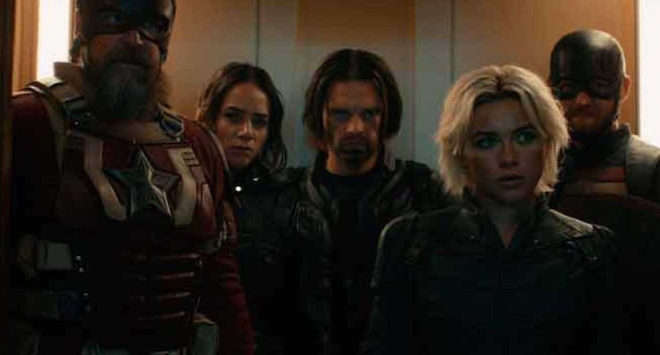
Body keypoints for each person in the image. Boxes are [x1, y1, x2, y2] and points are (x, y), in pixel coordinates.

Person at [7, 0, 253, 354]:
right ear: (82, 26)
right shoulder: (26, 125)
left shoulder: (198, 145)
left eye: (153, 25)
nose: (136, 40)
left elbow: (222, 285)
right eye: (115, 19)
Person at [363, 64, 619, 355]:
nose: (508, 157)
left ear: (547, 144)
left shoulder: (590, 249)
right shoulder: (410, 243)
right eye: (487, 142)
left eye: (524, 137)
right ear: (461, 154)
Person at [548, 29, 660, 353]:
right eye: (569, 87)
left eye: (598, 86)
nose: (582, 101)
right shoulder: (533, 178)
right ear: (551, 88)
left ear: (623, 87)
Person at [291, 48, 451, 355]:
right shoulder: (290, 196)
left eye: (369, 114)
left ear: (385, 115)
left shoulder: (424, 192)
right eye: (340, 114)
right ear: (320, 115)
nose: (355, 128)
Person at [197, 62, 295, 354]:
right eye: (233, 117)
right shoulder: (188, 189)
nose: (246, 132)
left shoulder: (284, 201)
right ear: (212, 118)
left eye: (259, 122)